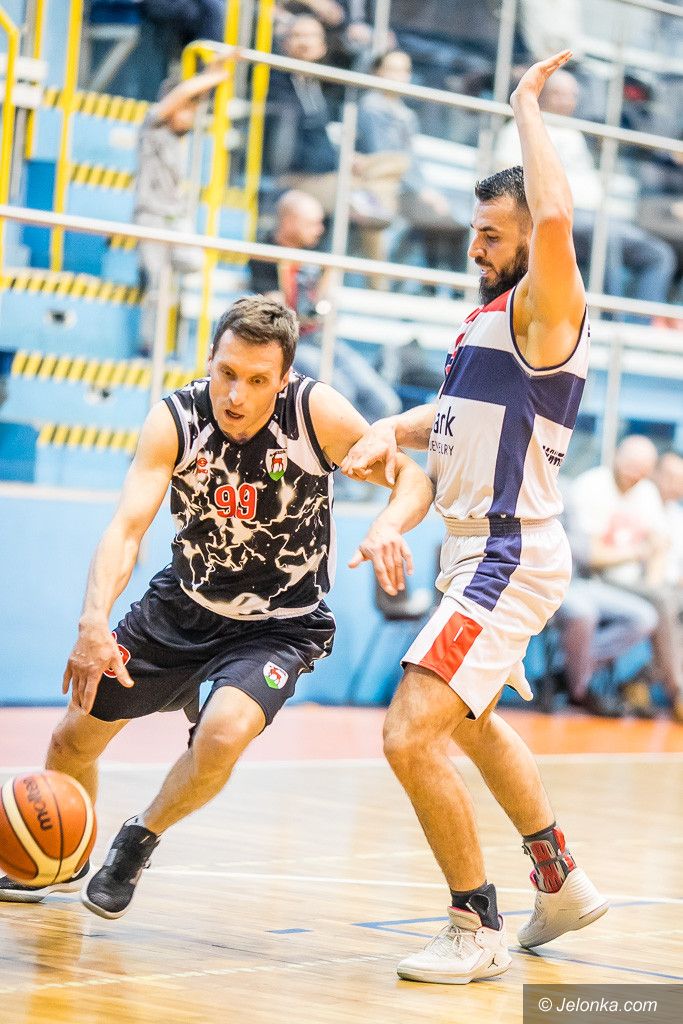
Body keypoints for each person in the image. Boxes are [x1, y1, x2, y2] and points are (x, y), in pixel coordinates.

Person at [0, 296, 434, 916]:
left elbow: (412, 479)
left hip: (280, 625)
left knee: (222, 734)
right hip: (183, 606)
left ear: (283, 379)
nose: (236, 394)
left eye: (257, 380)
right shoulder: (176, 419)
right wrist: (93, 619)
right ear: (209, 360)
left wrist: (388, 525)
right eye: (227, 373)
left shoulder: (314, 414)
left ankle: (139, 837)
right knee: (72, 738)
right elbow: (127, 528)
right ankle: (60, 861)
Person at [342, 51, 608, 984]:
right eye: (474, 232)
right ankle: (559, 882)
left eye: (492, 235)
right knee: (471, 722)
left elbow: (558, 217)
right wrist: (392, 426)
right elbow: (450, 420)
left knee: (407, 731)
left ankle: (473, 924)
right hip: (472, 552)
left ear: (531, 239)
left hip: (506, 554)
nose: (474, 249)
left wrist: (524, 104)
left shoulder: (545, 311)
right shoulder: (482, 323)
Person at [493, 68, 677, 315]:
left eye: (572, 95)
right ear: (541, 94)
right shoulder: (521, 129)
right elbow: (509, 184)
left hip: (596, 216)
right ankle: (609, 319)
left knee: (658, 254)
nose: (567, 101)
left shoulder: (574, 132)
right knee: (605, 237)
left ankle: (640, 325)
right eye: (559, 94)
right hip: (555, 217)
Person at [247, 189, 401, 423]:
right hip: (294, 344)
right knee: (343, 398)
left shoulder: (316, 251)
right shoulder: (264, 253)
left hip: (321, 337)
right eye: (312, 224)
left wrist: (325, 289)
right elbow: (278, 317)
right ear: (289, 222)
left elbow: (322, 304)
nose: (319, 229)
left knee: (385, 403)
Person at [571, 436, 683, 721]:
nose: (634, 475)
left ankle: (640, 680)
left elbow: (659, 543)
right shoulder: (591, 486)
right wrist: (638, 553)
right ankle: (678, 691)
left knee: (665, 605)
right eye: (631, 467)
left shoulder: (646, 492)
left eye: (641, 470)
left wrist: (653, 581)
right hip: (597, 578)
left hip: (635, 581)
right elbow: (593, 556)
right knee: (664, 601)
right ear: (616, 456)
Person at [133, 61, 230, 354]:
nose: (190, 116)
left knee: (190, 266)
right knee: (157, 285)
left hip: (175, 218)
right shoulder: (152, 128)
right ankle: (149, 345)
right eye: (185, 109)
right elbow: (181, 94)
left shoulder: (185, 141)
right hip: (152, 217)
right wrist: (213, 77)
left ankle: (170, 342)